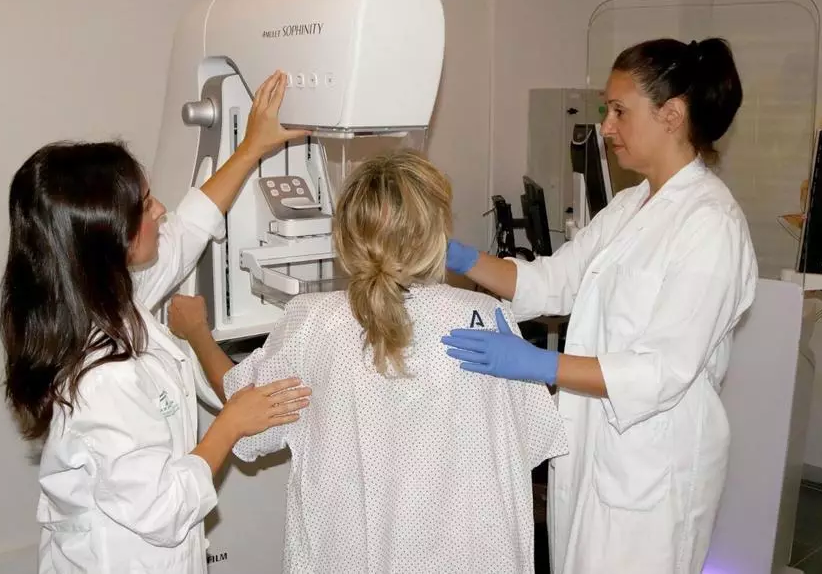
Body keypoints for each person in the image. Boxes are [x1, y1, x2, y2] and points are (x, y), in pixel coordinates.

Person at [441, 38, 759, 573]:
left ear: (671, 115)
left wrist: (541, 364)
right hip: (597, 446)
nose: (605, 127)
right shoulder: (632, 205)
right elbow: (552, 281)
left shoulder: (711, 225)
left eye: (618, 111)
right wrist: (459, 255)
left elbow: (661, 370)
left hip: (655, 464)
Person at [170, 149, 569, 574]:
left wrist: (197, 332)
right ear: (439, 231)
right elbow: (532, 444)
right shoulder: (487, 318)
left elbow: (244, 408)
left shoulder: (314, 323)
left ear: (344, 237)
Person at [0, 71, 314, 574]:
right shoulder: (104, 377)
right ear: (111, 238)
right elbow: (163, 509)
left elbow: (186, 231)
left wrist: (250, 148)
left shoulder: (95, 298)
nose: (161, 209)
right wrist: (232, 423)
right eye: (146, 204)